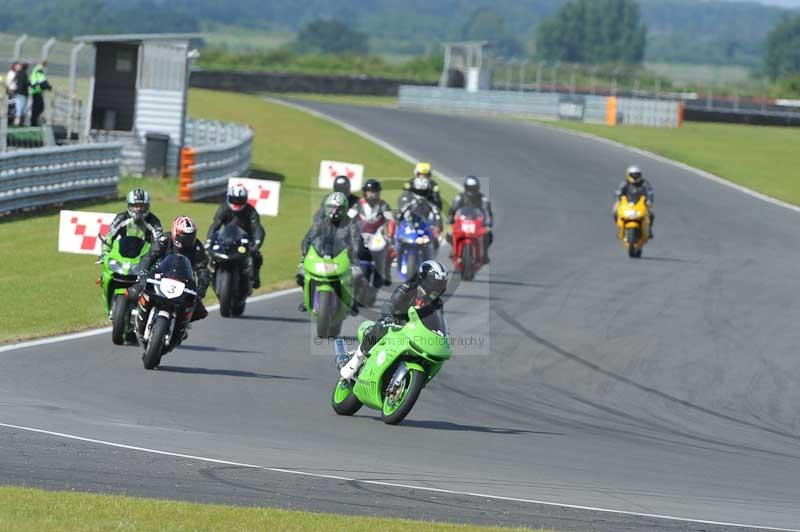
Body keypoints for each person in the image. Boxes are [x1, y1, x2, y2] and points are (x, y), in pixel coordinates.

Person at [339, 260, 449, 380]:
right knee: (379, 328)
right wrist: (389, 317)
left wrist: (442, 334)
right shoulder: (408, 287)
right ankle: (356, 361)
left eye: (440, 285)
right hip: (396, 323)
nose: (436, 289)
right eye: (433, 283)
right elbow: (391, 304)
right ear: (422, 278)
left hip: (414, 332)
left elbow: (437, 322)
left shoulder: (437, 303)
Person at [136, 216, 211, 322]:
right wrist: (143, 271)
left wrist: (202, 287)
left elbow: (203, 269)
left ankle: (181, 326)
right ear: (176, 233)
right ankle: (131, 317)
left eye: (191, 236)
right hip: (159, 277)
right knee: (133, 292)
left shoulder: (197, 247)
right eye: (185, 236)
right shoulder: (165, 239)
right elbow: (150, 256)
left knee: (200, 312)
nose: (188, 240)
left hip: (183, 282)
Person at [298, 192, 363, 312]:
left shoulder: (351, 222)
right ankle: (307, 299)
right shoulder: (321, 221)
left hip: (342, 256)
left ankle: (352, 301)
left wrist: (355, 257)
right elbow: (309, 237)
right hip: (321, 255)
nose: (335, 211)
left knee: (358, 275)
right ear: (327, 208)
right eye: (332, 208)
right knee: (301, 274)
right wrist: (304, 253)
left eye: (339, 209)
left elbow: (355, 240)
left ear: (345, 209)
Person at [205, 184, 265, 288]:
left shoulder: (250, 211)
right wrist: (209, 240)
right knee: (209, 254)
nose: (236, 203)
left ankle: (255, 276)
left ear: (245, 199)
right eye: (234, 199)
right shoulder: (224, 209)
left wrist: (257, 242)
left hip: (244, 240)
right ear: (229, 198)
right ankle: (210, 274)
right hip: (226, 238)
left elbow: (257, 227)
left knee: (257, 256)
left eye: (239, 200)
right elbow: (215, 225)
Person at [354, 178, 394, 285]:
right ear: (365, 192)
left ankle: (385, 272)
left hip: (376, 236)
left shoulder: (383, 205)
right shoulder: (358, 204)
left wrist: (390, 235)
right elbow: (348, 218)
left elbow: (391, 221)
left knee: (389, 250)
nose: (372, 194)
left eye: (374, 191)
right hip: (359, 235)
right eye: (369, 191)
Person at [448, 175, 494, 264]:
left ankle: (484, 253)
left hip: (477, 223)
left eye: (473, 188)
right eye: (469, 188)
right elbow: (452, 210)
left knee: (488, 235)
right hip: (462, 222)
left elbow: (487, 212)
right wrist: (450, 220)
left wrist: (488, 223)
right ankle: (453, 249)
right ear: (465, 187)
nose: (471, 190)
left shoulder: (483, 199)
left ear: (477, 188)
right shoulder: (459, 198)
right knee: (449, 234)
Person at [102, 188, 162, 255]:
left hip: (145, 258)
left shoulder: (154, 221)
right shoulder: (121, 218)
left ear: (147, 206)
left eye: (141, 206)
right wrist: (105, 252)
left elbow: (159, 240)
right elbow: (110, 236)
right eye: (135, 206)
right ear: (129, 205)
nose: (138, 209)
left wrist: (157, 255)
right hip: (123, 255)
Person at [613, 165, 654, 238]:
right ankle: (619, 227)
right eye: (633, 175)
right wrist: (617, 201)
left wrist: (649, 201)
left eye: (637, 175)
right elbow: (618, 193)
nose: (635, 177)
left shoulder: (645, 183)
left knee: (651, 214)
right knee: (614, 212)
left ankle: (649, 229)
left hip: (642, 203)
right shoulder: (624, 183)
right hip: (627, 203)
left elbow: (650, 193)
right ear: (628, 175)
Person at [29, 60, 52, 127]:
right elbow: (42, 81)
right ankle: (34, 123)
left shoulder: (36, 69)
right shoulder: (39, 70)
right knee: (39, 107)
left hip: (35, 90)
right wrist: (49, 87)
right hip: (36, 90)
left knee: (36, 107)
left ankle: (34, 122)